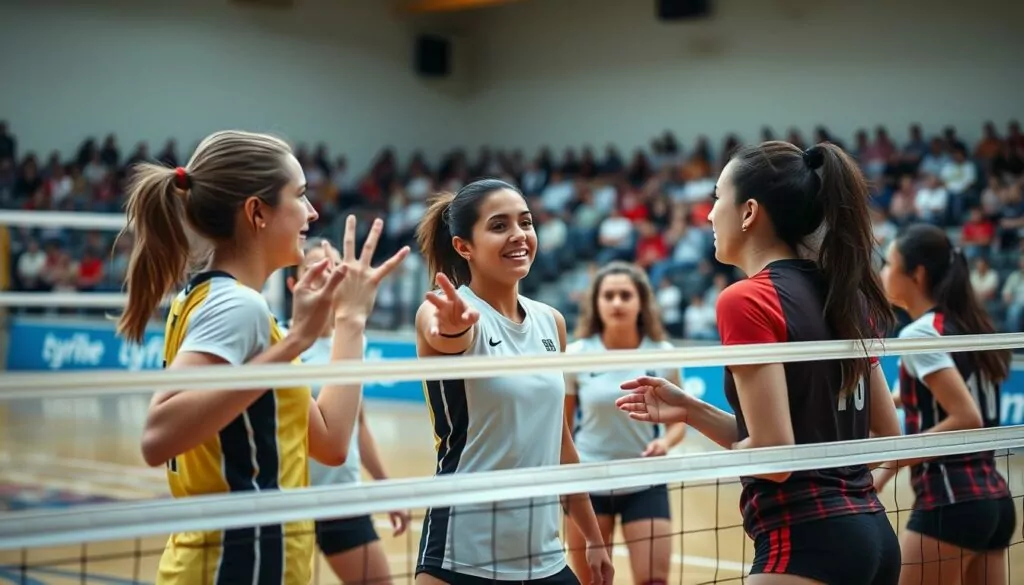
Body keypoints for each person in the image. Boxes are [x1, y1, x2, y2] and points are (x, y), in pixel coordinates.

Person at [117, 129, 408, 585]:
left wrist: (350, 322)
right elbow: (158, 436)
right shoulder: (238, 306)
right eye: (301, 195)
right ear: (257, 212)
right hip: (234, 563)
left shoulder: (229, 303)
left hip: (255, 559)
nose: (312, 212)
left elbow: (331, 443)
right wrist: (295, 344)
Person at [616, 142, 904, 585]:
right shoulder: (845, 294)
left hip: (804, 543)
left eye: (716, 198)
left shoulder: (746, 298)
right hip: (875, 535)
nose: (709, 215)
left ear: (748, 212)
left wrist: (694, 466)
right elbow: (888, 438)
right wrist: (692, 411)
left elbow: (774, 458)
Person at [413, 178, 615, 585]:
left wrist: (593, 539)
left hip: (544, 556)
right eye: (499, 226)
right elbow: (447, 335)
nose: (519, 235)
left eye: (525, 222)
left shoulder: (551, 322)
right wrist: (452, 328)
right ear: (463, 246)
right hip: (460, 556)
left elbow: (561, 444)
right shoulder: (446, 313)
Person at [876, 223, 1014, 585]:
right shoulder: (967, 326)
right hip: (994, 501)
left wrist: (890, 461)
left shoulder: (920, 335)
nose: (882, 273)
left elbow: (966, 416)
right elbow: (934, 400)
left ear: (917, 275)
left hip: (951, 501)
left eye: (889, 264)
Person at [285, 238, 412, 585]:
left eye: (334, 266)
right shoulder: (279, 342)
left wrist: (385, 489)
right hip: (286, 502)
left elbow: (358, 424)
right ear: (294, 284)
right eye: (315, 267)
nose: (328, 275)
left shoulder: (353, 340)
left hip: (341, 498)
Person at [563, 261, 685, 585]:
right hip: (588, 483)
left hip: (646, 481)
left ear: (641, 302)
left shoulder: (662, 353)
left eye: (625, 295)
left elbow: (680, 422)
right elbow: (561, 428)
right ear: (596, 303)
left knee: (654, 581)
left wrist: (665, 443)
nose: (616, 303)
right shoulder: (576, 355)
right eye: (609, 295)